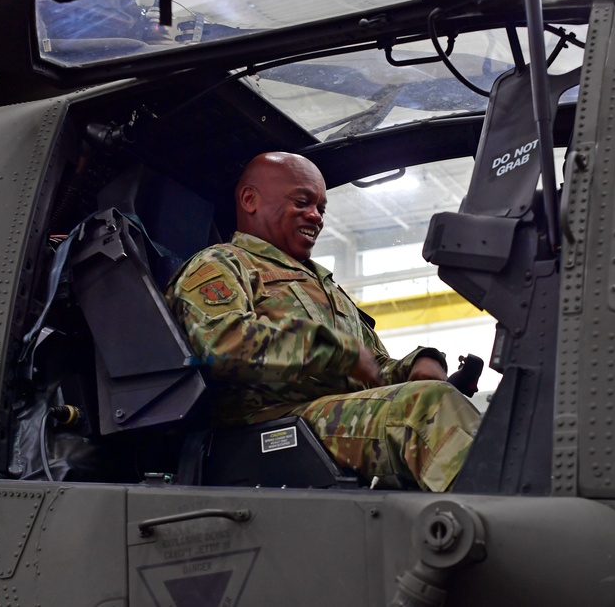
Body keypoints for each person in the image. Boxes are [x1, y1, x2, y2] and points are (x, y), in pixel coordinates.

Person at [165, 152, 480, 491]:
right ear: (250, 199)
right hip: (269, 423)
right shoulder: (220, 264)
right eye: (302, 202)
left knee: (438, 399)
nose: (315, 216)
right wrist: (336, 351)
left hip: (329, 416)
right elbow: (224, 344)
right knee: (424, 410)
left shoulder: (326, 286)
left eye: (321, 208)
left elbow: (369, 369)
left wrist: (415, 367)